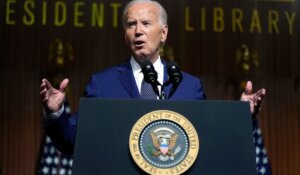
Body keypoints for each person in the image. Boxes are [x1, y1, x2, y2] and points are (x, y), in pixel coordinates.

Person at [40, 0, 270, 174]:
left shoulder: (189, 85)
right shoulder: (103, 83)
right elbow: (71, 141)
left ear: (163, 33)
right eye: (131, 25)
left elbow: (209, 144)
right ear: (125, 35)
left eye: (146, 23)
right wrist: (55, 112)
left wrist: (242, 117)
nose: (138, 30)